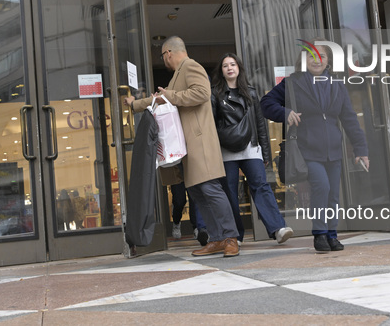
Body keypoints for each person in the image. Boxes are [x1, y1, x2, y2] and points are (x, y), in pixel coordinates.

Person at [125, 36, 240, 257]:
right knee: (198, 192)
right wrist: (135, 104)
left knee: (210, 189)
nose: (165, 60)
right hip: (188, 145)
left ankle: (230, 237)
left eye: (163, 56)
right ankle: (216, 238)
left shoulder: (191, 66)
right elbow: (160, 98)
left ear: (168, 53)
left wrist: (172, 96)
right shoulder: (178, 75)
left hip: (200, 142)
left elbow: (202, 93)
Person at [261, 39, 369, 252]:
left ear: (328, 61)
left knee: (333, 196)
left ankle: (332, 234)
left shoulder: (337, 85)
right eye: (311, 55)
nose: (316, 60)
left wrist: (361, 149)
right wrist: (285, 113)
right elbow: (266, 103)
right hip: (307, 149)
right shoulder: (292, 83)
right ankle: (319, 233)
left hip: (334, 150)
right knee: (322, 186)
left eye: (322, 56)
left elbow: (349, 119)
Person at [211, 53, 294, 245]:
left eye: (233, 64)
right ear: (221, 71)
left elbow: (260, 124)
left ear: (239, 68)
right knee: (230, 192)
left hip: (251, 147)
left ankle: (278, 228)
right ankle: (235, 236)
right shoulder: (215, 93)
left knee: (261, 186)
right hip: (226, 150)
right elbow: (212, 125)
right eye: (225, 65)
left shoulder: (251, 92)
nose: (229, 68)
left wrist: (265, 152)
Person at [170, 181, 209, 246]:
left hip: (191, 173)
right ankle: (176, 222)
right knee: (179, 201)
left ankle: (196, 227)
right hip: (177, 174)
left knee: (194, 198)